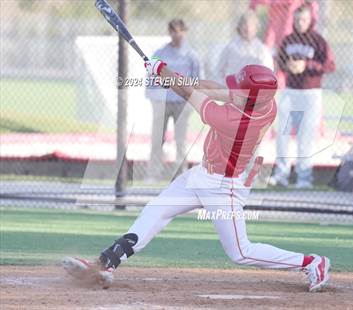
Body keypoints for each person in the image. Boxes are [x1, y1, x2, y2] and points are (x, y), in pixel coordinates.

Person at [62, 60, 330, 292]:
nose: (233, 90)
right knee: (157, 210)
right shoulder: (264, 104)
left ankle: (311, 262)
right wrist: (167, 74)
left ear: (249, 99)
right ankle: (108, 262)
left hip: (224, 188)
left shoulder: (232, 120)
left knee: (240, 252)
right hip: (202, 175)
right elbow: (212, 88)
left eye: (239, 89)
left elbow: (191, 93)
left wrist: (163, 72)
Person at [269, 4, 335, 189]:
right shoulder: (288, 40)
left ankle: (304, 177)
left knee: (305, 136)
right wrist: (287, 66)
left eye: (304, 19)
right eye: (297, 19)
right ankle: (281, 174)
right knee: (282, 133)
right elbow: (280, 61)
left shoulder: (318, 41)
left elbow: (330, 65)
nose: (300, 23)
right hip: (290, 92)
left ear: (310, 19)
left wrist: (307, 66)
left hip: (311, 93)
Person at [145, 18, 201, 182]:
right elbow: (151, 74)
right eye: (174, 31)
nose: (177, 35)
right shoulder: (161, 53)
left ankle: (181, 175)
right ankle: (153, 174)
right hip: (162, 102)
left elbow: (198, 79)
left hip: (182, 103)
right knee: (157, 139)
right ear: (169, 33)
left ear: (185, 32)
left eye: (180, 31)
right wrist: (153, 96)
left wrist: (193, 100)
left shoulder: (191, 56)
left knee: (180, 141)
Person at [216, 10, 273, 84]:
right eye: (244, 24)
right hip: (235, 88)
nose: (247, 28)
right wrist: (226, 85)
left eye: (251, 25)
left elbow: (269, 72)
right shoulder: (231, 47)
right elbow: (219, 70)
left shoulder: (262, 49)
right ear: (239, 27)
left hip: (255, 88)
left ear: (256, 28)